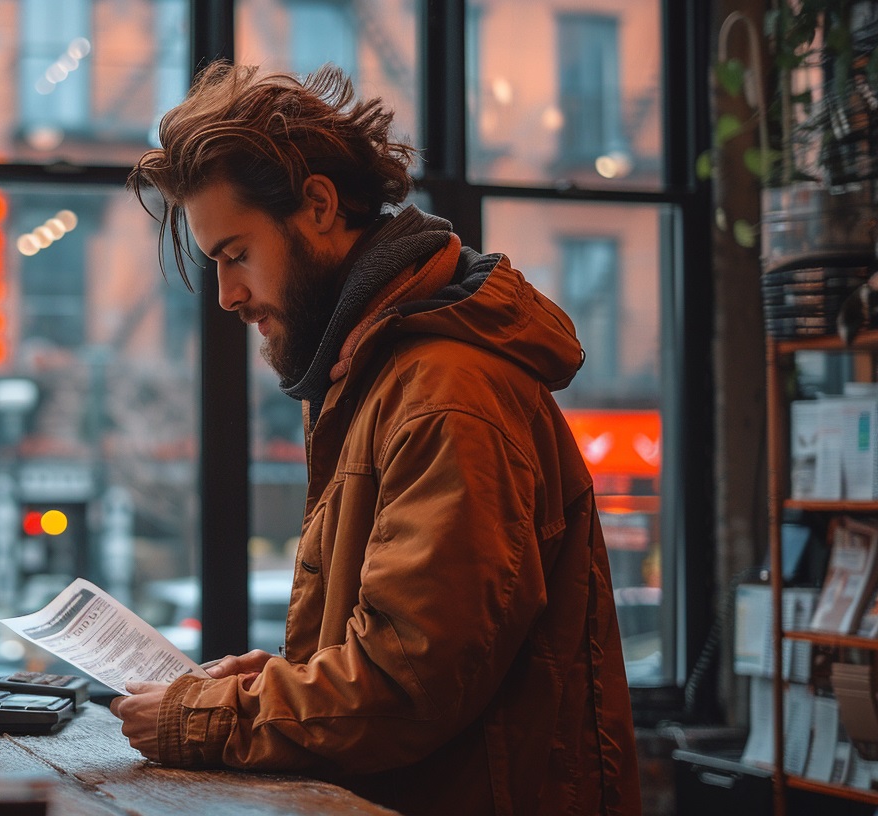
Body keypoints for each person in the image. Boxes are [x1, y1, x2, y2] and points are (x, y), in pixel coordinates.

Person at [111, 61, 641, 815]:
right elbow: (409, 649)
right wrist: (268, 684)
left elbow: (405, 683)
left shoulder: (444, 397)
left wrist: (203, 719)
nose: (227, 295)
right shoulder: (378, 380)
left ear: (319, 205)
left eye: (235, 255)